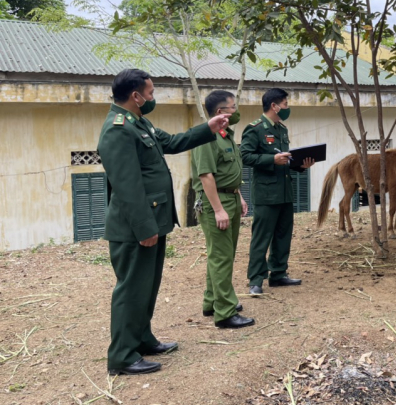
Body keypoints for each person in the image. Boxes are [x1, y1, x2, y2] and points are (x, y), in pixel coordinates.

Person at [97, 69, 230, 376]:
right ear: (136, 96)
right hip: (135, 226)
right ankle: (121, 355)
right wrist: (145, 229)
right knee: (131, 289)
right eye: (151, 92)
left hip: (153, 221)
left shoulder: (139, 122)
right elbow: (127, 187)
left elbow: (171, 142)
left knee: (147, 286)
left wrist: (207, 128)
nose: (153, 97)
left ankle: (141, 339)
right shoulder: (117, 129)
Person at [190, 90, 254, 329]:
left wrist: (239, 197)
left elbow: (228, 172)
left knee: (221, 254)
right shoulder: (206, 137)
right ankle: (225, 313)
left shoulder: (225, 136)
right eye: (233, 107)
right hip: (214, 202)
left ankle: (212, 301)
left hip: (231, 198)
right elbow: (206, 175)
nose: (237, 111)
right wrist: (218, 209)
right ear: (220, 112)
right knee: (221, 257)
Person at [241, 88, 314, 294]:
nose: (287, 108)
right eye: (285, 104)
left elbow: (284, 161)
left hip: (284, 192)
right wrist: (271, 159)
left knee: (283, 234)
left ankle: (278, 274)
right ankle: (256, 279)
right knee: (261, 237)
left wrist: (301, 165)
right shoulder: (254, 129)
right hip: (266, 194)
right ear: (274, 106)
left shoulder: (282, 129)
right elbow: (245, 156)